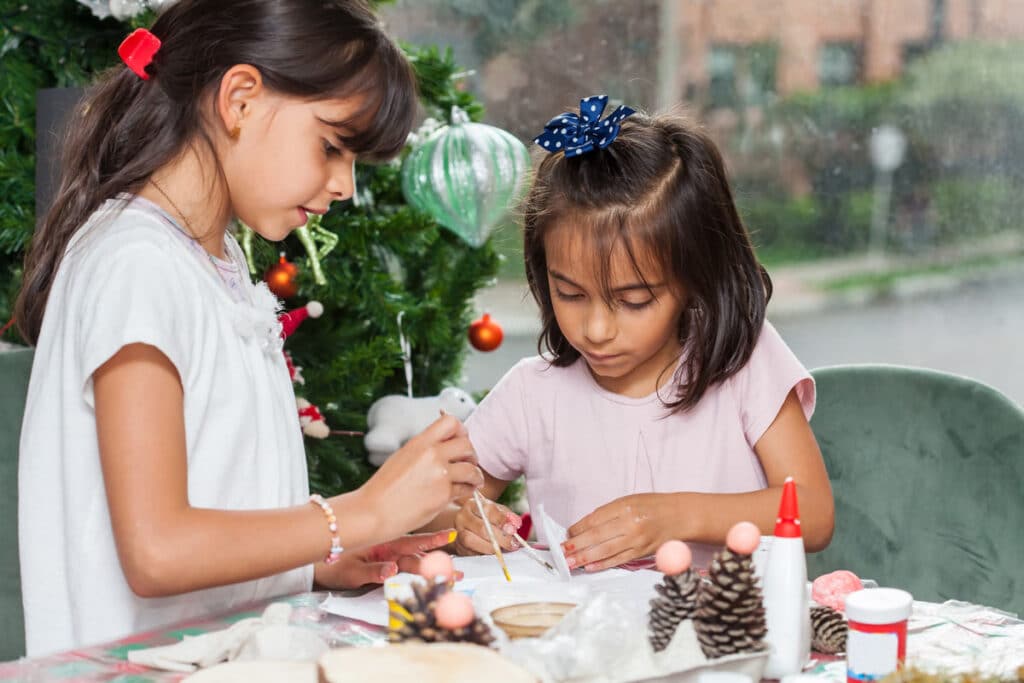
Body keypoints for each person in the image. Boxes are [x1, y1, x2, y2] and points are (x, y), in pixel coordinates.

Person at [16, 0, 482, 656]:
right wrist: (360, 513)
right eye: (330, 146)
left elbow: (215, 501)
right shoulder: (135, 264)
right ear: (239, 98)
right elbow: (158, 550)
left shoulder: (217, 261)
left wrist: (312, 560)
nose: (345, 185)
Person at [430, 96, 834, 571]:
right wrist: (464, 523)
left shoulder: (743, 362)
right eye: (570, 294)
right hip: (582, 639)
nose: (596, 330)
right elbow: (437, 508)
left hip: (723, 637)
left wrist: (672, 515)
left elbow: (814, 513)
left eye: (634, 301)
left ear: (692, 280)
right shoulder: (531, 394)